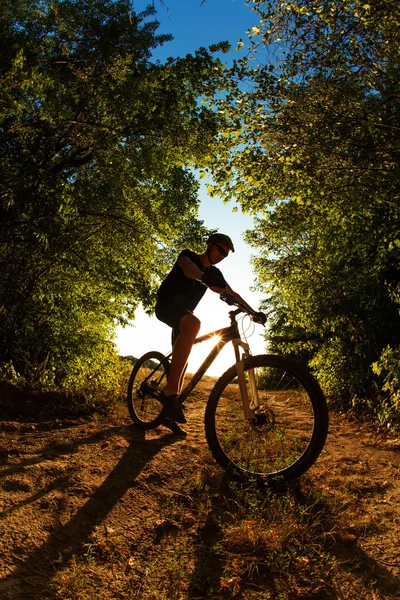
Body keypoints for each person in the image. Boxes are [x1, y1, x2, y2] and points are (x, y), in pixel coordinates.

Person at [155, 232, 264, 431]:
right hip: (166, 306)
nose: (222, 255)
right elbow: (189, 269)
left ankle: (169, 412)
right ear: (209, 245)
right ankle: (169, 393)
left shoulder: (216, 274)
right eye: (220, 249)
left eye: (226, 254)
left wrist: (253, 312)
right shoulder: (188, 256)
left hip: (184, 316)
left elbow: (232, 293)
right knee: (194, 324)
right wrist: (204, 277)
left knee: (183, 359)